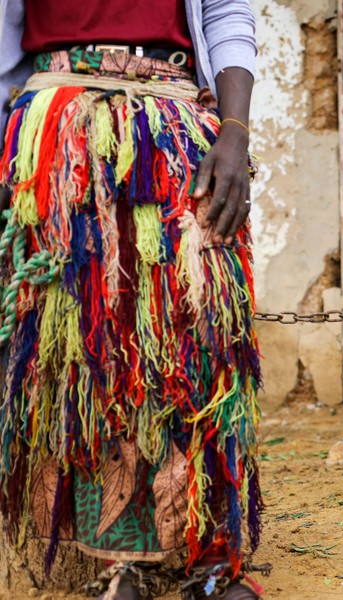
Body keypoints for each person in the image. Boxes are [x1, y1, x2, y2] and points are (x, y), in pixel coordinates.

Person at [0, 1, 263, 598]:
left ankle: (211, 552)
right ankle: (120, 560)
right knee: (88, 349)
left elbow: (225, 11)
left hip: (175, 123)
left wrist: (235, 129)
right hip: (58, 127)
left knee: (200, 336)